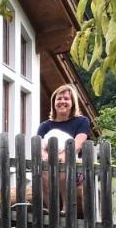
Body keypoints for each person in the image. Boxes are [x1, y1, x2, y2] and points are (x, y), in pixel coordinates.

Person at [38, 84, 92, 212]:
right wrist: (46, 157)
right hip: (49, 166)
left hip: (74, 168)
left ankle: (66, 210)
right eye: (59, 98)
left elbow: (78, 143)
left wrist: (63, 155)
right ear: (54, 103)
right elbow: (39, 147)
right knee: (43, 168)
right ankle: (52, 209)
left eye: (66, 98)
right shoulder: (45, 126)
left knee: (64, 162)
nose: (62, 101)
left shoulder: (82, 121)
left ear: (73, 103)